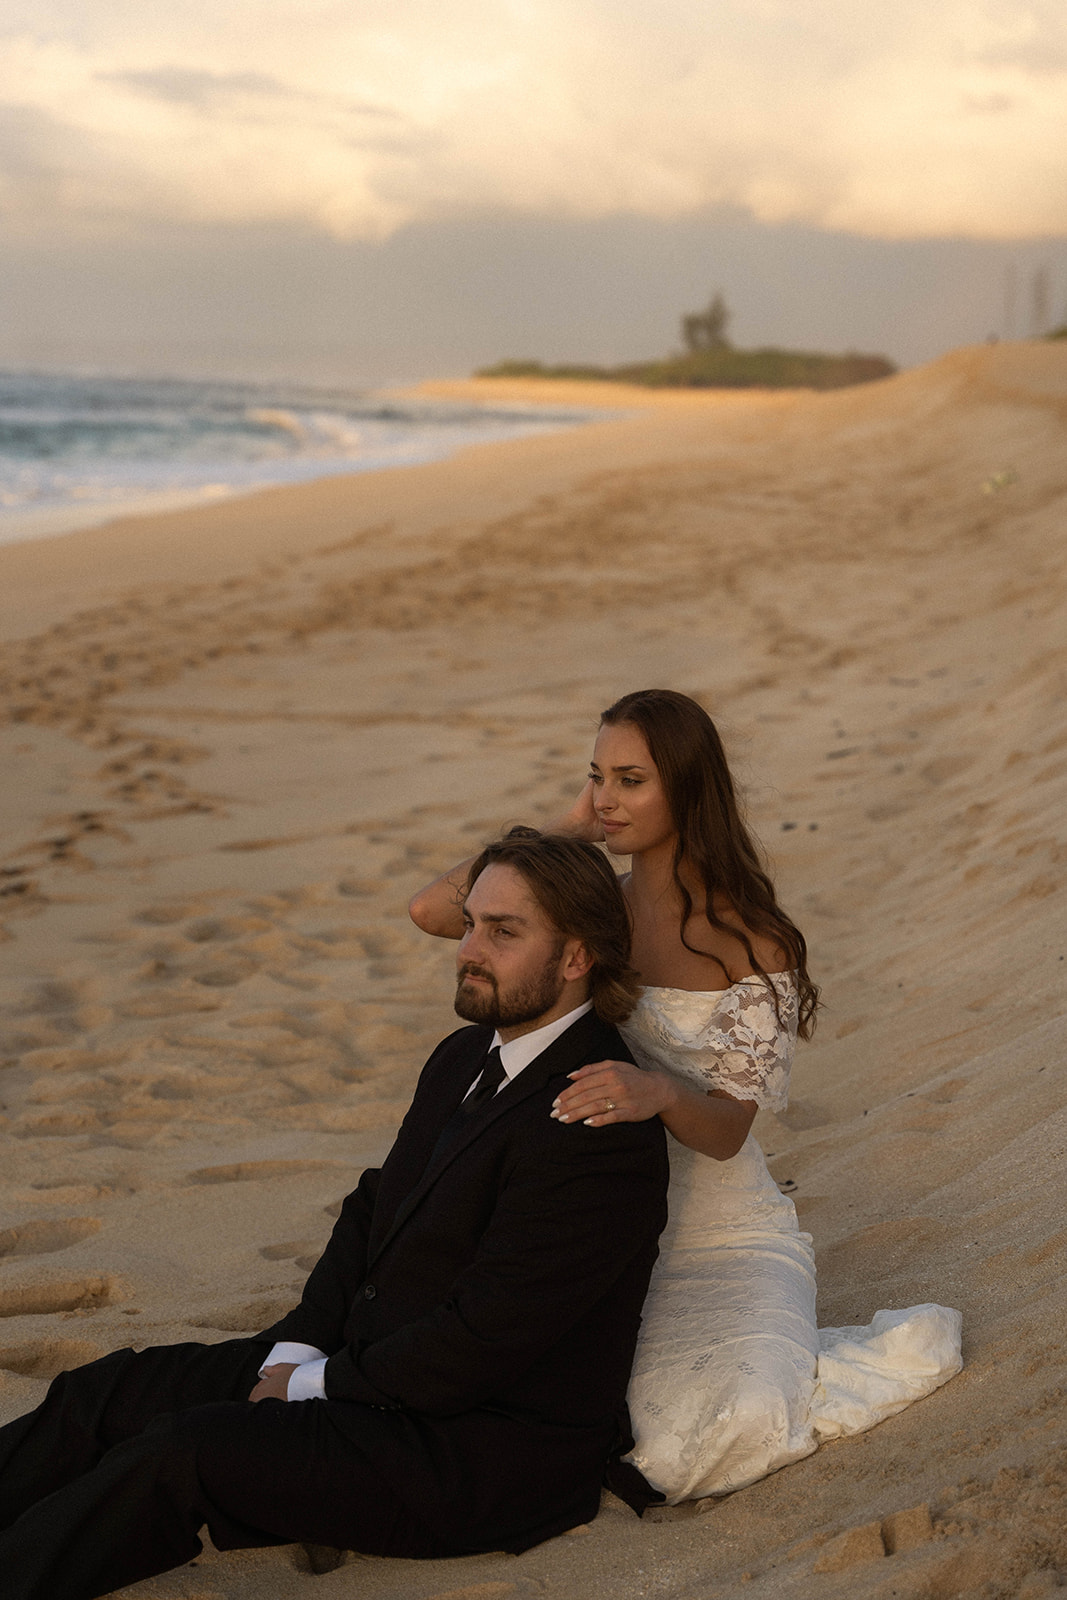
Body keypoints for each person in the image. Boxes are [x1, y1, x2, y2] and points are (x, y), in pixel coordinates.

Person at [0, 831, 669, 1600]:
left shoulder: (595, 1122)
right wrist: (297, 1347)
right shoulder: (462, 1055)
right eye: (472, 923)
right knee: (111, 1392)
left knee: (183, 1454)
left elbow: (487, 1337)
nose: (468, 949)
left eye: (504, 932)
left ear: (577, 957)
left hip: (472, 1452)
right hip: (366, 1368)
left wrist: (312, 1384)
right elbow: (373, 1210)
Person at [410, 688, 962, 1503]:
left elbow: (725, 1132)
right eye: (596, 776)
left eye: (631, 780)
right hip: (586, 1222)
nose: (607, 798)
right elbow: (430, 910)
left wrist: (659, 1090)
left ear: (688, 788)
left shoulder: (749, 936)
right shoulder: (593, 908)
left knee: (696, 1438)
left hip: (717, 1239)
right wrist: (561, 833)